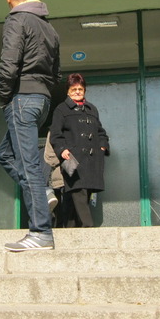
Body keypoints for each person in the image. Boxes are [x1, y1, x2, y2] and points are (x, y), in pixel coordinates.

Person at [0, 0, 61, 251]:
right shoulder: (50, 28)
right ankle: (43, 192)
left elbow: (9, 64)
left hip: (22, 98)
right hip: (42, 100)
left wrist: (4, 97)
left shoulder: (16, 20)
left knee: (29, 166)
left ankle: (41, 232)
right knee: (5, 154)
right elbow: (56, 72)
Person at [49, 73, 110, 228]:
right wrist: (62, 149)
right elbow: (55, 134)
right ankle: (88, 226)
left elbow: (101, 132)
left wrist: (102, 145)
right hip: (73, 158)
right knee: (78, 191)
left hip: (92, 159)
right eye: (73, 89)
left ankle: (70, 229)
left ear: (84, 90)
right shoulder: (61, 109)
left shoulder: (92, 109)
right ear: (68, 91)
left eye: (80, 89)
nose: (77, 92)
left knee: (80, 195)